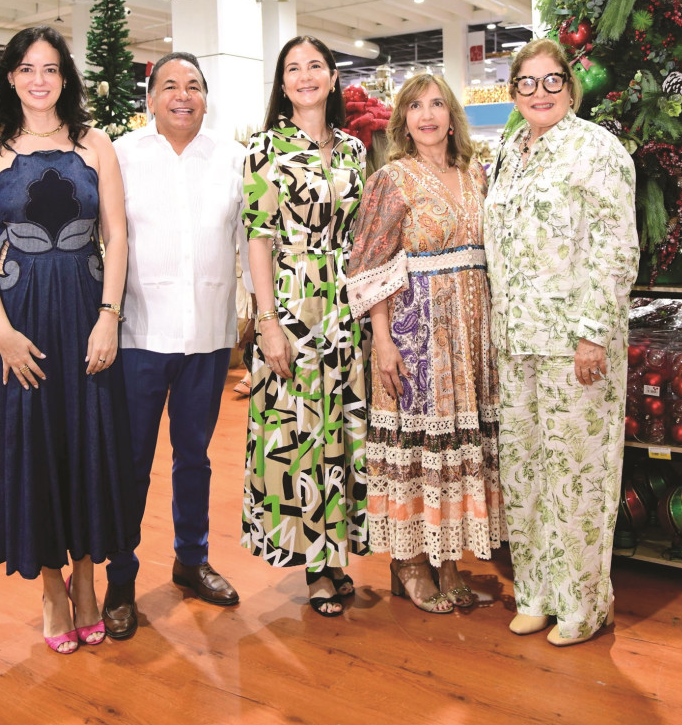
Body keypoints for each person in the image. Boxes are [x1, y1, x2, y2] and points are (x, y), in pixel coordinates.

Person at [0, 25, 137, 655]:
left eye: (52, 69)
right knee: (32, 447)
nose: (40, 80)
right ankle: (50, 590)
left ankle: (87, 583)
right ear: (11, 76)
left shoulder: (96, 143)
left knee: (91, 444)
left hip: (87, 314)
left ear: (66, 78)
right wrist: (2, 332)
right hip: (20, 321)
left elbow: (115, 236)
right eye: (28, 69)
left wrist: (110, 315)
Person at [483, 38, 639, 647]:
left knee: (578, 475)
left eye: (552, 81)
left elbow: (616, 246)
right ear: (514, 92)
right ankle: (537, 594)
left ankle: (584, 604)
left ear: (570, 89)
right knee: (525, 475)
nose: (540, 93)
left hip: (576, 345)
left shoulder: (594, 148)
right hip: (515, 341)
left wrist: (593, 334)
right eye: (527, 82)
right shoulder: (507, 154)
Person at [104, 51, 252, 639]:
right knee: (132, 462)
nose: (182, 96)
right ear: (151, 99)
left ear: (206, 98)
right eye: (169, 86)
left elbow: (251, 239)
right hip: (139, 334)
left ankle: (191, 559)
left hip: (208, 337)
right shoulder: (121, 156)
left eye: (193, 86)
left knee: (195, 457)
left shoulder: (233, 160)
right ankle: (120, 578)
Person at [347, 73, 504, 614]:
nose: (428, 114)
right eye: (416, 106)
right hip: (417, 333)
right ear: (403, 120)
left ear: (452, 113)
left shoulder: (475, 174)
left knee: (457, 453)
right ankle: (409, 562)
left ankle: (449, 558)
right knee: (419, 452)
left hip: (470, 329)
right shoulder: (392, 180)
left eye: (437, 103)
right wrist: (383, 340)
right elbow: (369, 265)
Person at [241, 35, 368, 618]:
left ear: (333, 77)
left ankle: (337, 555)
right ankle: (314, 567)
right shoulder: (264, 148)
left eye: (315, 66)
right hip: (291, 304)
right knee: (300, 433)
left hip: (346, 307)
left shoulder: (352, 150)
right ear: (283, 83)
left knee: (341, 432)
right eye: (294, 69)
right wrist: (267, 322)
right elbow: (258, 238)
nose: (305, 76)